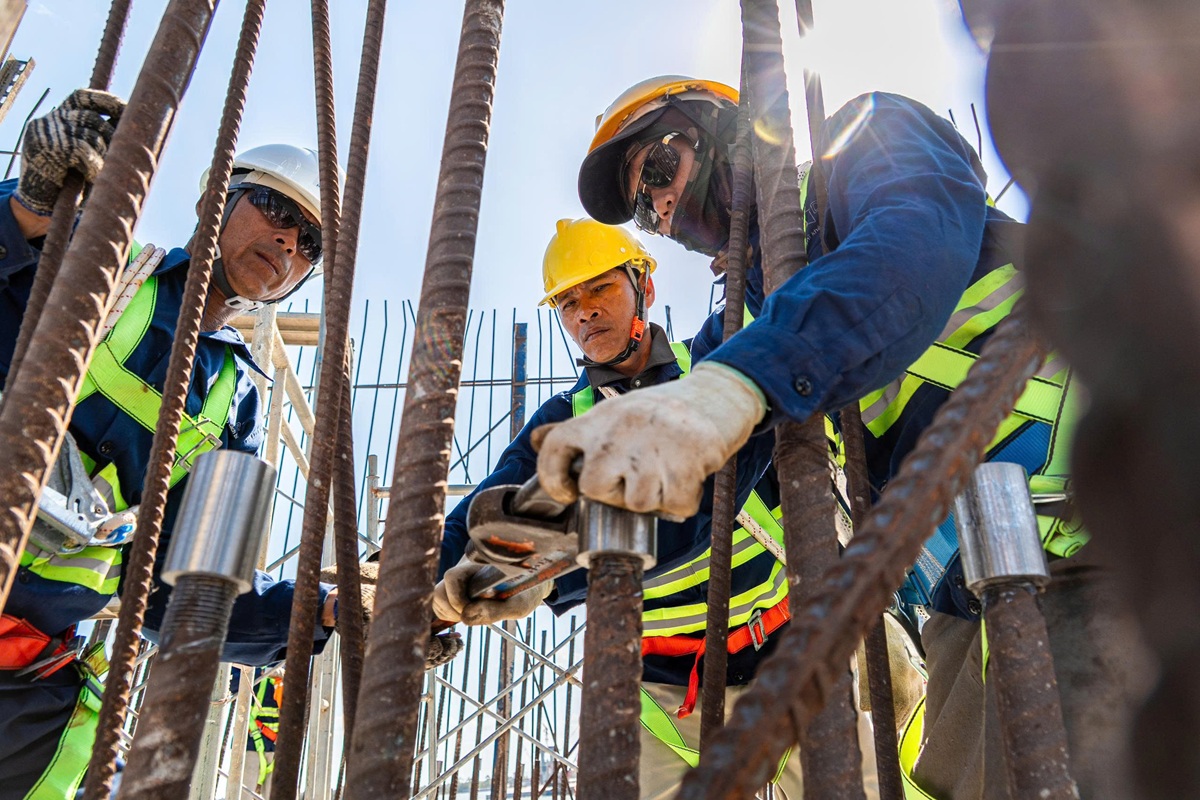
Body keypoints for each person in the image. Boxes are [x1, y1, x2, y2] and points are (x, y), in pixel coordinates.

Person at [538, 76, 1146, 799]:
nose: (661, 208)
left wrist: (743, 381)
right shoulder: (750, 324)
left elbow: (909, 253)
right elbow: (699, 498)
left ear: (719, 129)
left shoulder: (864, 142)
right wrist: (538, 545)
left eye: (660, 174)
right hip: (985, 581)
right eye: (643, 207)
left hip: (1130, 494)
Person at [432, 218, 899, 799]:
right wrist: (401, 579)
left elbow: (776, 305)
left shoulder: (714, 362)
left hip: (788, 653)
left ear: (644, 289)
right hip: (660, 692)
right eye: (568, 302)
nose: (584, 314)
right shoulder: (563, 420)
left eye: (600, 288)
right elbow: (484, 512)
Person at [0, 89, 349, 800]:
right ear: (214, 200)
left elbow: (178, 603)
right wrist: (31, 202)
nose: (288, 242)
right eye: (277, 212)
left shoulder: (238, 409)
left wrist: (325, 611)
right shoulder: (98, 269)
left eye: (308, 241)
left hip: (27, 686)